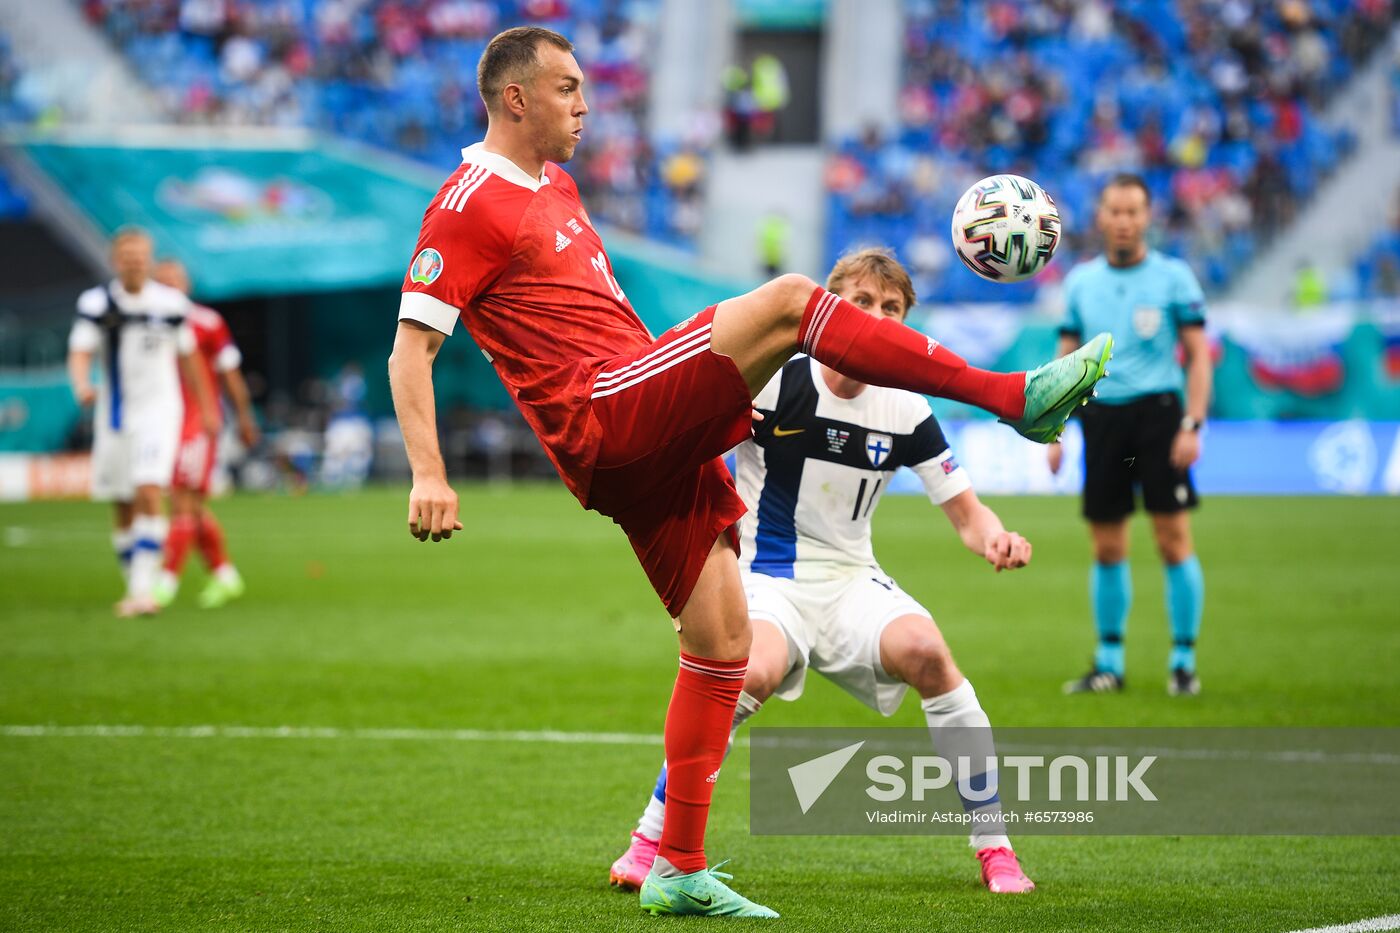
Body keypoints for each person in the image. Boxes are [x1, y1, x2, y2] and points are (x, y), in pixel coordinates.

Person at [388, 26, 1111, 919]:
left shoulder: (557, 186)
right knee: (792, 300)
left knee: (723, 647)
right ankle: (1011, 396)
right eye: (569, 88)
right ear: (515, 99)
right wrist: (430, 471)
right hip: (605, 410)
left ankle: (675, 865)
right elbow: (411, 347)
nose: (586, 103)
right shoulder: (464, 205)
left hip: (647, 431)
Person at [608, 248, 1037, 896]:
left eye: (891, 308)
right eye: (861, 303)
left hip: (850, 579)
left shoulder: (907, 409)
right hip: (769, 576)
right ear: (830, 310)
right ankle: (651, 837)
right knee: (750, 669)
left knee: (929, 654)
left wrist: (996, 538)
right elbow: (696, 438)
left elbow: (968, 515)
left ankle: (996, 849)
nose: (876, 316)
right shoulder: (778, 379)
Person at [1050, 173, 1211, 697]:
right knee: (1107, 546)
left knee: (1172, 539)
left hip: (1160, 418)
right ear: (1100, 217)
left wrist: (1193, 423)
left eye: (1133, 212)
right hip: (1103, 419)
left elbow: (1199, 356)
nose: (1123, 221)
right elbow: (1067, 362)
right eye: (1114, 211)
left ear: (1147, 217)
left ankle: (1183, 662)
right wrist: (1053, 428)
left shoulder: (1174, 277)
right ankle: (1109, 663)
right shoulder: (1080, 283)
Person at [67, 229, 218, 617]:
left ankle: (142, 590)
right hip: (113, 416)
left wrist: (206, 409)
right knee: (121, 501)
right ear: (114, 260)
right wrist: (83, 385)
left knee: (149, 489)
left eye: (141, 255)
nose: (135, 261)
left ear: (148, 259)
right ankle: (134, 580)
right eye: (127, 255)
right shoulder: (97, 303)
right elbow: (80, 350)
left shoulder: (170, 304)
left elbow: (190, 359)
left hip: (159, 412)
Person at [150, 259, 260, 609]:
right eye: (162, 280)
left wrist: (244, 417)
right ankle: (225, 576)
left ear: (187, 285)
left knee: (183, 502)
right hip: (162, 422)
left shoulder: (207, 323)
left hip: (197, 423)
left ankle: (163, 584)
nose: (169, 286)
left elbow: (230, 375)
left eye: (174, 280)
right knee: (190, 507)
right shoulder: (148, 324)